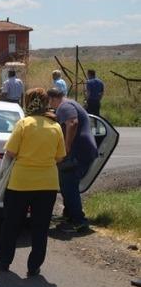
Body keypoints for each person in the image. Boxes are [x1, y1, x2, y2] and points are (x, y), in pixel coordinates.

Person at [0, 88, 66, 277]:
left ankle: (4, 261)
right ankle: (34, 266)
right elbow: (60, 157)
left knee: (11, 224)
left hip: (20, 183)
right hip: (47, 184)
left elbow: (11, 152)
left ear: (29, 102)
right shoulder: (55, 126)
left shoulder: (24, 124)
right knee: (41, 227)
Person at [47, 87, 98, 232]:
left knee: (69, 185)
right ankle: (69, 216)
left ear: (53, 99)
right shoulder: (70, 103)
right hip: (83, 150)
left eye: (49, 101)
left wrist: (67, 146)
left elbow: (72, 123)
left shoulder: (64, 106)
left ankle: (79, 221)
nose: (50, 105)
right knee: (66, 183)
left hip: (78, 152)